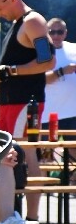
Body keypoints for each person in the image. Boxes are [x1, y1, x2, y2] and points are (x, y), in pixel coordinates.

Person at [0, 0, 55, 224]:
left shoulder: (33, 21)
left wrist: (10, 71)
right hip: (11, 103)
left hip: (26, 103)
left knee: (17, 156)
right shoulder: (18, 24)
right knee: (4, 159)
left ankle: (26, 218)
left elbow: (48, 60)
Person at [43, 18, 76, 174]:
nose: (56, 35)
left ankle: (72, 187)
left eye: (60, 32)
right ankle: (42, 190)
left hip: (72, 111)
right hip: (47, 113)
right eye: (52, 32)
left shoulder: (74, 49)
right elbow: (39, 79)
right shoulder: (43, 51)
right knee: (45, 153)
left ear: (65, 33)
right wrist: (62, 71)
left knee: (74, 151)